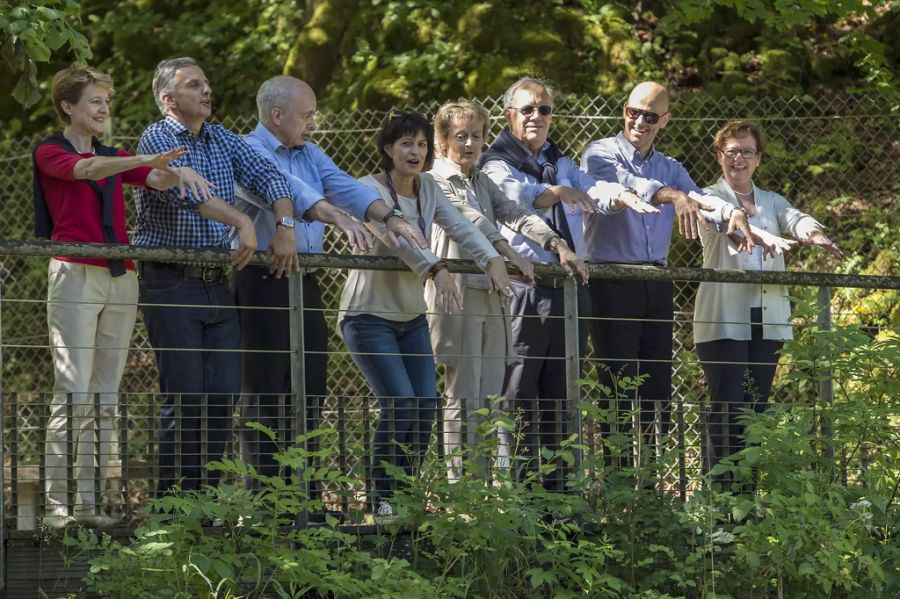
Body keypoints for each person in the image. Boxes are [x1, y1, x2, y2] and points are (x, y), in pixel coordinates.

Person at [33, 63, 210, 527]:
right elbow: (88, 170)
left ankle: (90, 505)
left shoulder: (118, 156)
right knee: (72, 392)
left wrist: (178, 173)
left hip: (121, 277)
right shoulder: (50, 152)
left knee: (104, 397)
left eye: (105, 101)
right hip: (75, 275)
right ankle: (56, 507)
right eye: (94, 100)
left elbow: (153, 180)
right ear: (68, 107)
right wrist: (143, 162)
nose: (103, 109)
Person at [233, 75, 426, 497]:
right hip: (259, 282)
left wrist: (389, 216)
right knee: (265, 389)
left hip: (305, 278)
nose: (313, 124)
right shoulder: (247, 149)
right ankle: (266, 501)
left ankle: (306, 498)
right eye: (307, 116)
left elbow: (345, 187)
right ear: (277, 114)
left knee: (310, 388)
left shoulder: (312, 152)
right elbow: (286, 189)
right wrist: (333, 216)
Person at [580, 81, 782, 470]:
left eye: (650, 116)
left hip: (656, 281)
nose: (639, 121)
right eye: (634, 112)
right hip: (610, 279)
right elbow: (628, 186)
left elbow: (701, 200)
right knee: (617, 381)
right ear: (624, 110)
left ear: (664, 121)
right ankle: (618, 475)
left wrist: (729, 214)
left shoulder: (670, 166)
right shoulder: (599, 153)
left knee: (656, 383)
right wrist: (672, 196)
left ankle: (653, 483)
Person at [479, 76, 656, 489]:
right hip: (525, 286)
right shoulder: (495, 162)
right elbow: (518, 195)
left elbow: (591, 187)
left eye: (544, 109)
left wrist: (621, 196)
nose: (537, 116)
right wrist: (558, 191)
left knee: (562, 395)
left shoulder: (560, 161)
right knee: (518, 392)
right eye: (527, 110)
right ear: (509, 116)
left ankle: (560, 495)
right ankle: (518, 493)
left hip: (569, 291)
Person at [134, 57, 298, 495]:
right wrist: (243, 223)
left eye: (206, 83)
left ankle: (206, 504)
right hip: (169, 282)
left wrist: (283, 226)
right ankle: (175, 508)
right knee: (185, 398)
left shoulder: (221, 138)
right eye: (193, 85)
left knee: (222, 398)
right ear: (169, 100)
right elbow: (187, 193)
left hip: (216, 283)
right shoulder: (157, 137)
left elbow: (269, 175)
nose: (206, 91)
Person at [338, 110, 511, 516]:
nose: (414, 152)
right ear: (387, 149)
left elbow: (461, 226)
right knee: (400, 401)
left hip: (410, 317)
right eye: (405, 144)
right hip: (368, 316)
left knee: (425, 404)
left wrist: (491, 259)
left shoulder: (428, 188)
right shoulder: (368, 190)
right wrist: (436, 269)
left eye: (420, 145)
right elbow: (392, 235)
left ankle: (407, 496)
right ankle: (381, 499)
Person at [427, 99, 587, 481]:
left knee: (491, 395)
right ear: (442, 141)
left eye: (477, 137)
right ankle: (459, 488)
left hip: (496, 295)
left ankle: (487, 488)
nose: (469, 144)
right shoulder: (433, 181)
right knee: (463, 393)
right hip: (459, 295)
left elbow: (515, 213)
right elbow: (471, 220)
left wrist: (557, 244)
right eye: (460, 136)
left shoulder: (481, 178)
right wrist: (508, 252)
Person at [694, 120, 842, 488]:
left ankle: (747, 498)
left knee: (756, 410)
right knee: (727, 408)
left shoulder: (772, 201)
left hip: (768, 320)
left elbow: (796, 218)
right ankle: (719, 501)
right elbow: (725, 226)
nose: (739, 159)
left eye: (747, 152)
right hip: (722, 320)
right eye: (732, 151)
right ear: (719, 155)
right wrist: (759, 235)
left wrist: (814, 234)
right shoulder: (706, 196)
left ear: (758, 159)